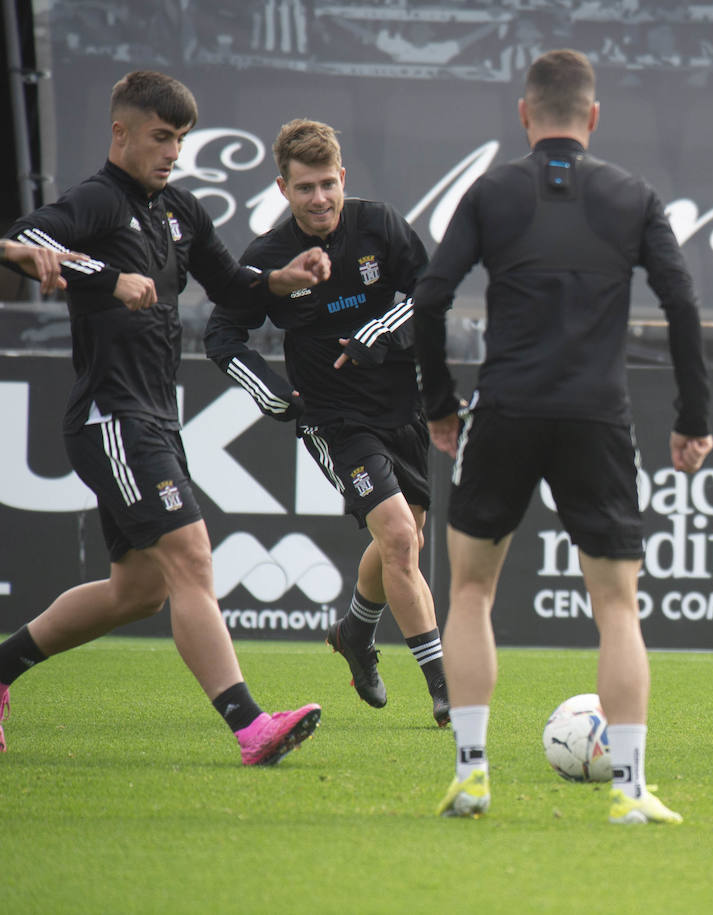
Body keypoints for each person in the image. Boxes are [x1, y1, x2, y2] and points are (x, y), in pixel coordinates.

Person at [413, 49, 713, 824]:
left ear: (524, 114)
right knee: (617, 606)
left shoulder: (491, 191)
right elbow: (681, 304)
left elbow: (431, 297)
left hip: (506, 410)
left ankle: (473, 774)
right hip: (595, 416)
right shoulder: (632, 194)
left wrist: (440, 403)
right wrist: (693, 419)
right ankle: (630, 790)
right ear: (593, 116)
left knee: (471, 591)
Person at [0, 71, 325, 764]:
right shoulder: (95, 200)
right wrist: (104, 277)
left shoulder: (179, 209)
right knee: (190, 557)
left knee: (139, 590)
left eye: (180, 138)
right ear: (121, 133)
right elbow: (19, 239)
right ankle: (250, 726)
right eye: (160, 136)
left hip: (155, 417)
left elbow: (230, 282)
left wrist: (280, 279)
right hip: (112, 417)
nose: (172, 150)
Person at [204, 119, 450, 726]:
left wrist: (377, 332)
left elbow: (429, 293)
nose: (319, 199)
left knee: (404, 541)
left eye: (327, 184)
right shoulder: (267, 257)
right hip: (334, 419)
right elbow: (221, 335)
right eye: (305, 187)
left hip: (401, 408)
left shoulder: (380, 225)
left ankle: (354, 633)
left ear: (343, 178)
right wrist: (271, 393)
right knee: (397, 538)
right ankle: (446, 690)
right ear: (283, 188)